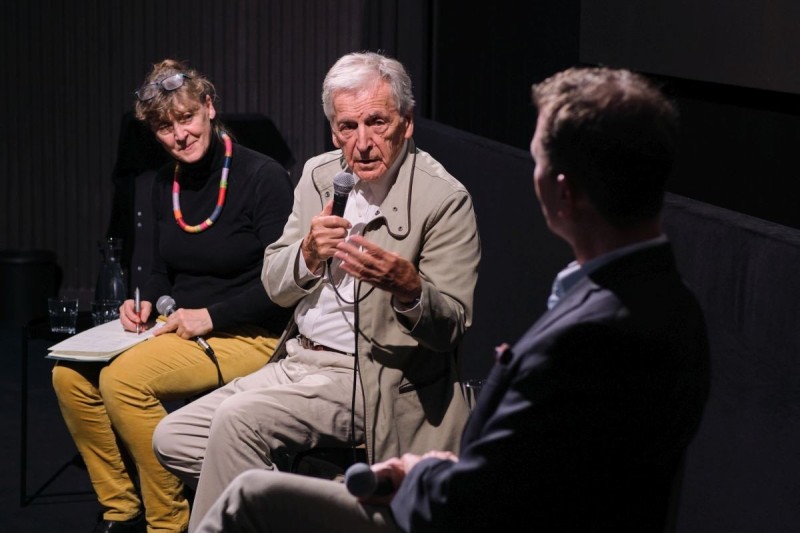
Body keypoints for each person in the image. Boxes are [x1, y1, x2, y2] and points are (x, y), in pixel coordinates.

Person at [192, 65, 711, 533]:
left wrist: (419, 473)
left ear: (561, 191)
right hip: (416, 459)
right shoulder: (674, 308)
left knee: (249, 495)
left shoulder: (582, 341)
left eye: (535, 159)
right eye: (348, 127)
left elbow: (489, 496)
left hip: (434, 490)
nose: (363, 142)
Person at [152, 50, 480, 531]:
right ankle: (305, 512)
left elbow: (451, 324)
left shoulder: (444, 200)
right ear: (333, 131)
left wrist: (409, 290)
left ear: (406, 123)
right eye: (348, 127)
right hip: (297, 360)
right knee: (172, 437)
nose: (363, 143)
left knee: (237, 423)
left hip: (368, 376)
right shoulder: (319, 175)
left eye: (377, 123)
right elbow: (273, 279)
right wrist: (306, 254)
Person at [51, 58, 294, 533]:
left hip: (251, 332)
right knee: (69, 378)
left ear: (208, 106)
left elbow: (281, 287)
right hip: (178, 326)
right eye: (165, 127)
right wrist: (146, 301)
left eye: (186, 119)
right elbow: (157, 269)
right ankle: (122, 510)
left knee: (123, 382)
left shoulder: (262, 177)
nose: (179, 135)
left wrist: (211, 316)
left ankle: (169, 522)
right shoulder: (163, 183)